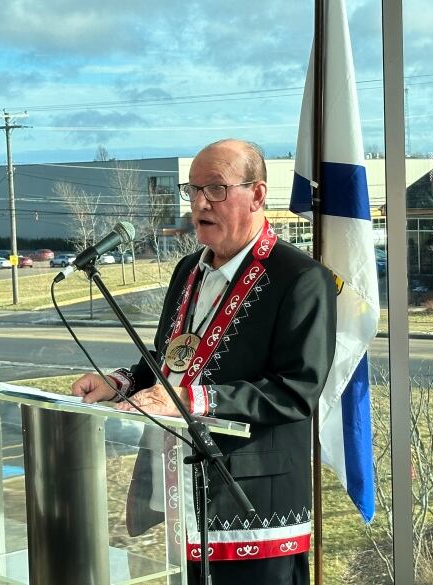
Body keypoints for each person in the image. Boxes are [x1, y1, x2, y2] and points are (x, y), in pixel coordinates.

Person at [71, 139, 337, 584]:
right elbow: (173, 359)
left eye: (215, 189)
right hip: (179, 501)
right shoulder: (188, 270)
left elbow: (297, 391)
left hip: (253, 508)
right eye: (192, 189)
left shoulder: (301, 279)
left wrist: (193, 399)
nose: (199, 203)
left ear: (257, 194)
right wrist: (119, 382)